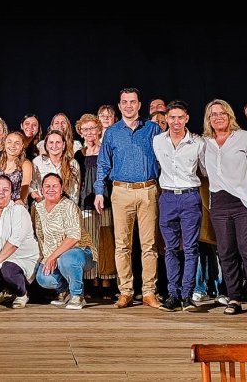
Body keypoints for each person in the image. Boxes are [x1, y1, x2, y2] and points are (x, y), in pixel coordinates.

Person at [95, 87, 163, 309]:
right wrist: (98, 191)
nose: (128, 106)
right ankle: (125, 291)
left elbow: (165, 156)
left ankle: (149, 292)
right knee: (122, 245)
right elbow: (103, 163)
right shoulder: (112, 133)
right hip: (121, 191)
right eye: (124, 102)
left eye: (132, 102)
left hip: (147, 190)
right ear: (119, 105)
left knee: (149, 245)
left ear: (139, 105)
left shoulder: (152, 129)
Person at [202, 99, 247, 317]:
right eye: (213, 114)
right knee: (226, 252)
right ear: (208, 119)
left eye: (222, 113)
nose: (218, 117)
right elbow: (203, 170)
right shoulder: (205, 143)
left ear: (230, 116)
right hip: (219, 202)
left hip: (244, 201)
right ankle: (234, 298)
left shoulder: (245, 138)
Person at [151, 100, 203, 312]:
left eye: (180, 117)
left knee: (190, 248)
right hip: (168, 198)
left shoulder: (198, 143)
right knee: (170, 248)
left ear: (187, 119)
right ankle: (173, 293)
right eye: (172, 118)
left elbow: (207, 170)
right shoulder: (157, 141)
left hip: (190, 197)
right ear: (166, 119)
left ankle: (187, 296)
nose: (176, 122)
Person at [34, 174, 96, 310]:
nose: (51, 189)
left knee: (67, 259)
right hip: (52, 255)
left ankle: (77, 295)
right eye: (47, 186)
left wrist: (53, 257)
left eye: (55, 186)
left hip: (80, 252)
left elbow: (74, 238)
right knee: (43, 278)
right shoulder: (37, 208)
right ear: (42, 190)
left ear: (61, 189)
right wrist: (49, 258)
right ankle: (66, 291)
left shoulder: (69, 206)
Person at [0, 176, 40, 308]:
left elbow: (15, 241)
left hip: (15, 260)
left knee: (8, 270)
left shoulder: (18, 211)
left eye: (5, 189)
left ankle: (22, 293)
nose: (0, 192)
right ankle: (6, 290)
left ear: (12, 193)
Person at [74, 114, 117, 298]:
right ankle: (91, 279)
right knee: (89, 241)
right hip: (86, 201)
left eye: (93, 128)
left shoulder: (107, 150)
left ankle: (107, 277)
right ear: (80, 132)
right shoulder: (79, 154)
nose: (89, 132)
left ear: (100, 129)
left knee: (106, 239)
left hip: (106, 198)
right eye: (85, 129)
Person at [31, 130, 81, 203]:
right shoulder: (37, 162)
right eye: (51, 142)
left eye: (58, 142)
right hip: (41, 205)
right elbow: (31, 187)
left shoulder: (72, 163)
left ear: (63, 145)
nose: (54, 146)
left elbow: (75, 191)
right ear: (46, 145)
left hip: (65, 207)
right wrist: (40, 201)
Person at [0, 131, 32, 205]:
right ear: (4, 144)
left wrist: (21, 200)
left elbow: (26, 185)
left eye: (17, 143)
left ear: (22, 146)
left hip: (17, 205)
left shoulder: (25, 164)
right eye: (9, 142)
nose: (13, 146)